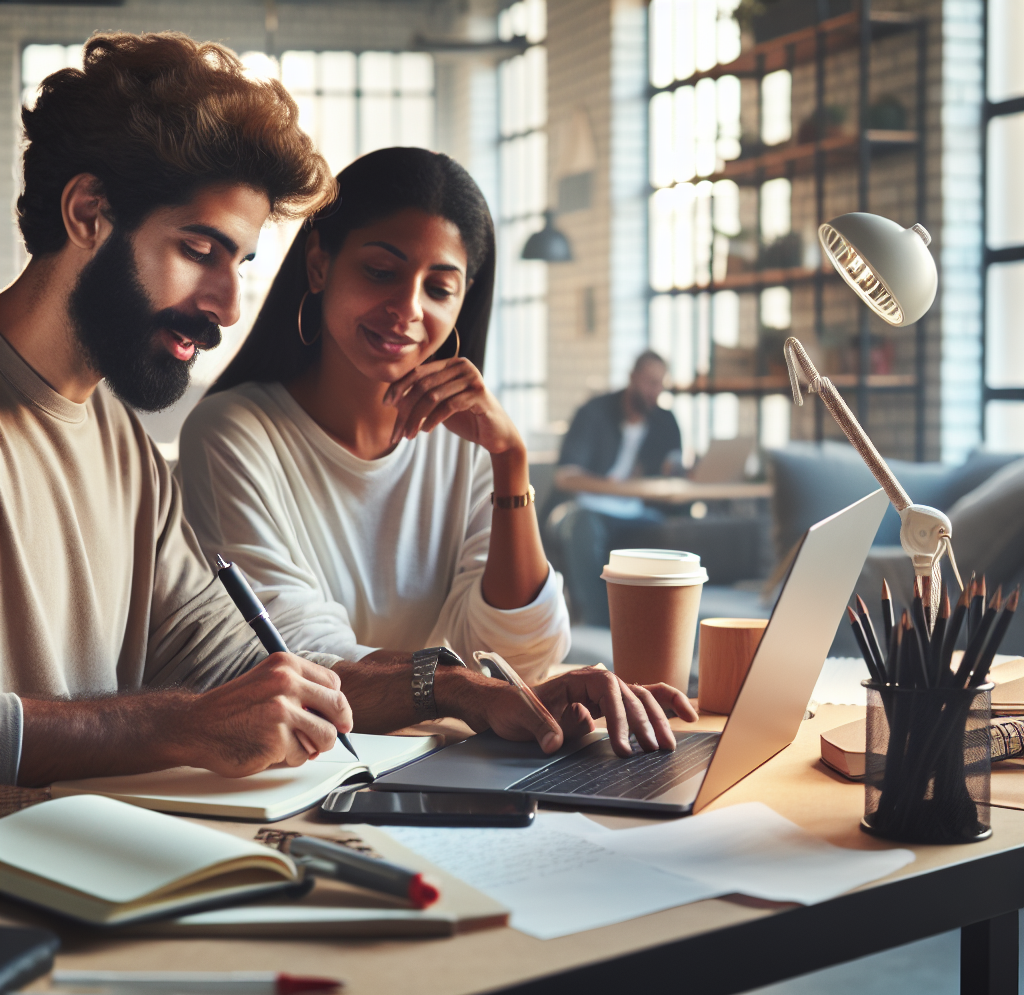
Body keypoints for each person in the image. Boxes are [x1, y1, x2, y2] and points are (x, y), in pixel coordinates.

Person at [0, 37, 693, 788]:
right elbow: (197, 707)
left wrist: (472, 691)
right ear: (88, 213)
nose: (229, 306)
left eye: (241, 263)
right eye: (200, 249)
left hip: (100, 869)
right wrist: (177, 725)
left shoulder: (121, 447)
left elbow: (239, 666)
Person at [178, 149, 571, 686]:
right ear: (319, 266)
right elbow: (302, 656)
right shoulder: (233, 435)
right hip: (316, 762)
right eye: (381, 272)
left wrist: (509, 459)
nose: (408, 308)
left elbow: (519, 660)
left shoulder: (471, 444)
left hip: (460, 758)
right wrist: (458, 692)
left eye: (438, 288)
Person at [554, 351, 683, 626]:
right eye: (649, 383)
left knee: (673, 532)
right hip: (586, 508)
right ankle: (600, 624)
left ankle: (663, 625)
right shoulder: (593, 413)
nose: (655, 391)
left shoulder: (664, 421)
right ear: (632, 378)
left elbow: (676, 468)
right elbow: (565, 477)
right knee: (582, 528)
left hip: (637, 512)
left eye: (660, 384)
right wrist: (617, 488)